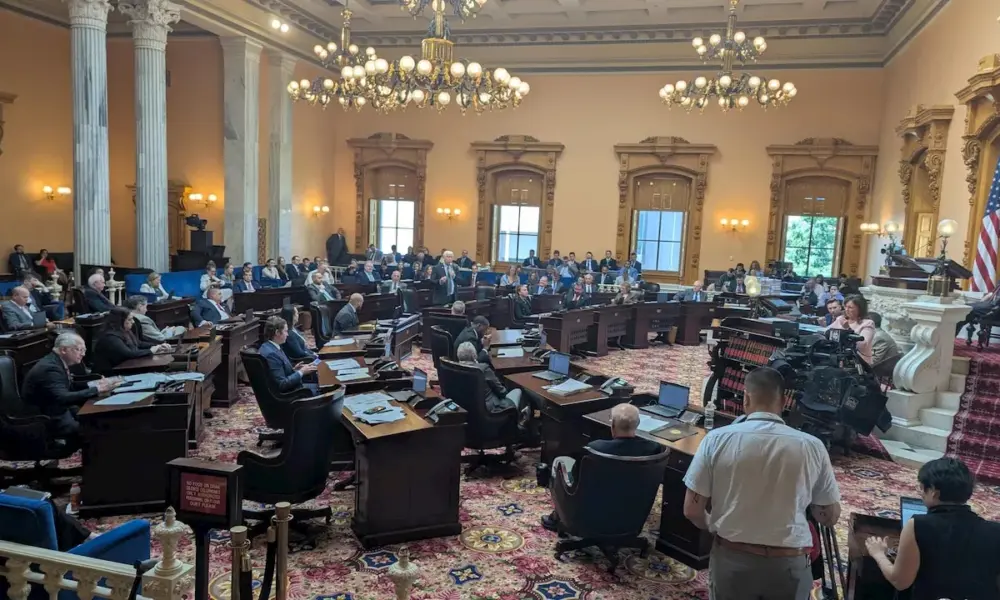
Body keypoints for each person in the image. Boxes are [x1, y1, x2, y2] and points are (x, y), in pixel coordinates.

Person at [683, 367, 841, 599]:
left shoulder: (716, 440)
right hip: (790, 563)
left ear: (746, 398)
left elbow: (692, 510)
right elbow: (829, 516)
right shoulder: (812, 446)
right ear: (784, 401)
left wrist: (713, 526)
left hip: (732, 557)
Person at [864, 457, 1000, 600]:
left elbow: (900, 581)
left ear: (934, 491)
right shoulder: (995, 531)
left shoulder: (918, 525)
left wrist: (878, 553)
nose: (921, 492)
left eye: (922, 487)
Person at [542, 403, 661, 531]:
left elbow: (576, 479)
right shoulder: (653, 449)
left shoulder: (595, 448)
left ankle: (557, 518)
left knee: (560, 462)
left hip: (591, 516)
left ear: (613, 425)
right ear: (637, 424)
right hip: (630, 514)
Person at [22, 332, 119, 441]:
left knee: (102, 420)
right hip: (51, 420)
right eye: (79, 350)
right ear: (64, 350)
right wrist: (97, 389)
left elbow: (69, 385)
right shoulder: (50, 369)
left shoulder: (56, 362)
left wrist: (96, 384)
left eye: (84, 350)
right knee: (104, 429)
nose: (83, 354)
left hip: (62, 412)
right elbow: (62, 397)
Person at [92, 307, 172, 374]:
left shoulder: (125, 331)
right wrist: (151, 351)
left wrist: (158, 346)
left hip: (126, 368)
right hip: (111, 374)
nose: (133, 322)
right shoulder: (110, 337)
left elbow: (138, 343)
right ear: (120, 321)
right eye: (129, 320)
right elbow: (128, 354)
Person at [457, 340, 525, 415]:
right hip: (492, 411)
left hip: (468, 412)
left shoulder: (455, 370)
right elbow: (502, 392)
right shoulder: (483, 369)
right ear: (474, 356)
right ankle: (520, 419)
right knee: (518, 390)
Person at [259, 316, 319, 394]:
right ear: (277, 333)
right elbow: (282, 384)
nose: (287, 334)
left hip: (293, 388)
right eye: (286, 331)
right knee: (325, 389)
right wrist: (301, 372)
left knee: (321, 385)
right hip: (291, 394)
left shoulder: (269, 346)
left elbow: (277, 374)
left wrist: (294, 369)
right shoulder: (271, 354)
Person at [828, 294, 875, 364]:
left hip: (859, 362)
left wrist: (848, 329)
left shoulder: (868, 323)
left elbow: (863, 345)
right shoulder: (841, 319)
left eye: (850, 307)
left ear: (860, 309)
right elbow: (827, 331)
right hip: (839, 358)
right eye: (845, 307)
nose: (846, 310)